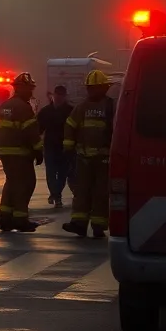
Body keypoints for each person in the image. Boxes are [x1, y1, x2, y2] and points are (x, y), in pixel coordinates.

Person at [62, 70, 115, 239]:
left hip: (103, 158)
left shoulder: (111, 106)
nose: (91, 91)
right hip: (84, 158)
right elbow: (70, 125)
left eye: (95, 88)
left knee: (101, 192)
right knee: (81, 191)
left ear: (105, 88)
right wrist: (68, 147)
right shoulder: (81, 107)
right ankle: (79, 224)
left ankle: (98, 225)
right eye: (90, 88)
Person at [0, 72, 43, 232]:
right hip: (20, 154)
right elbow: (31, 133)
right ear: (20, 88)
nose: (31, 92)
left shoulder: (4, 106)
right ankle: (20, 219)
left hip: (5, 153)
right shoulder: (24, 108)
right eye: (29, 89)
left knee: (11, 183)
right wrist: (38, 151)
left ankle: (5, 218)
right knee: (25, 184)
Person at [37, 85, 72, 209]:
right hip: (50, 147)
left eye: (61, 96)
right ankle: (55, 194)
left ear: (64, 97)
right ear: (53, 95)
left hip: (65, 148)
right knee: (51, 172)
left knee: (62, 173)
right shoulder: (46, 111)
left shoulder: (70, 111)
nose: (58, 98)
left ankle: (56, 194)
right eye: (57, 95)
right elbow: (38, 129)